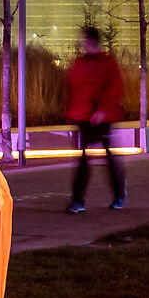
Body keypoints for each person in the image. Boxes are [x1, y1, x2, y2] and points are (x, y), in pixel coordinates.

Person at [63, 27, 126, 214]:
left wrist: (102, 111)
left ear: (92, 41)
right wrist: (71, 112)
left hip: (101, 118)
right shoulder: (80, 63)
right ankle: (78, 200)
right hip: (84, 117)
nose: (83, 43)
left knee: (108, 157)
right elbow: (72, 89)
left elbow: (114, 89)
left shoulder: (106, 63)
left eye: (86, 40)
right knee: (84, 159)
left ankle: (118, 194)